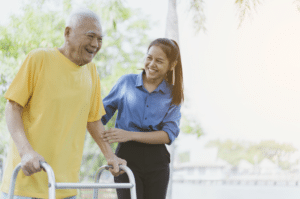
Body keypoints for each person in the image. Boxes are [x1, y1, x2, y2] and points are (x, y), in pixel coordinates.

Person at [0, 9, 126, 199]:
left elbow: (93, 120)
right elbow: (13, 108)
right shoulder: (39, 58)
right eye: (90, 36)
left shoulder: (91, 71)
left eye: (100, 39)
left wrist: (110, 155)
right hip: (26, 183)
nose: (95, 44)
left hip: (65, 187)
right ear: (67, 33)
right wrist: (26, 152)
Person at [101, 38, 184, 199]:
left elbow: (168, 134)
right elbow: (97, 117)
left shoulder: (173, 94)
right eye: (149, 57)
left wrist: (129, 134)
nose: (152, 64)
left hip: (158, 162)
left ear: (171, 65)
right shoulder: (126, 83)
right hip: (126, 158)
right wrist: (108, 152)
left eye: (159, 61)